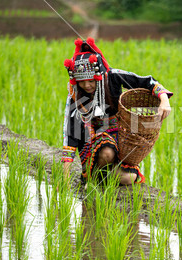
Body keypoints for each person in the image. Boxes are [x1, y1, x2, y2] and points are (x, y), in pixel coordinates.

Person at [61, 37, 173, 186]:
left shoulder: (112, 76)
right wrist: (64, 179)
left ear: (99, 76)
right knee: (107, 152)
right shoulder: (76, 94)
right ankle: (92, 176)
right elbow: (71, 134)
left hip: (120, 135)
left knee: (127, 178)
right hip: (93, 139)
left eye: (91, 81)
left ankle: (102, 181)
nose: (87, 85)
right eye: (82, 82)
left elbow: (147, 82)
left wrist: (164, 100)